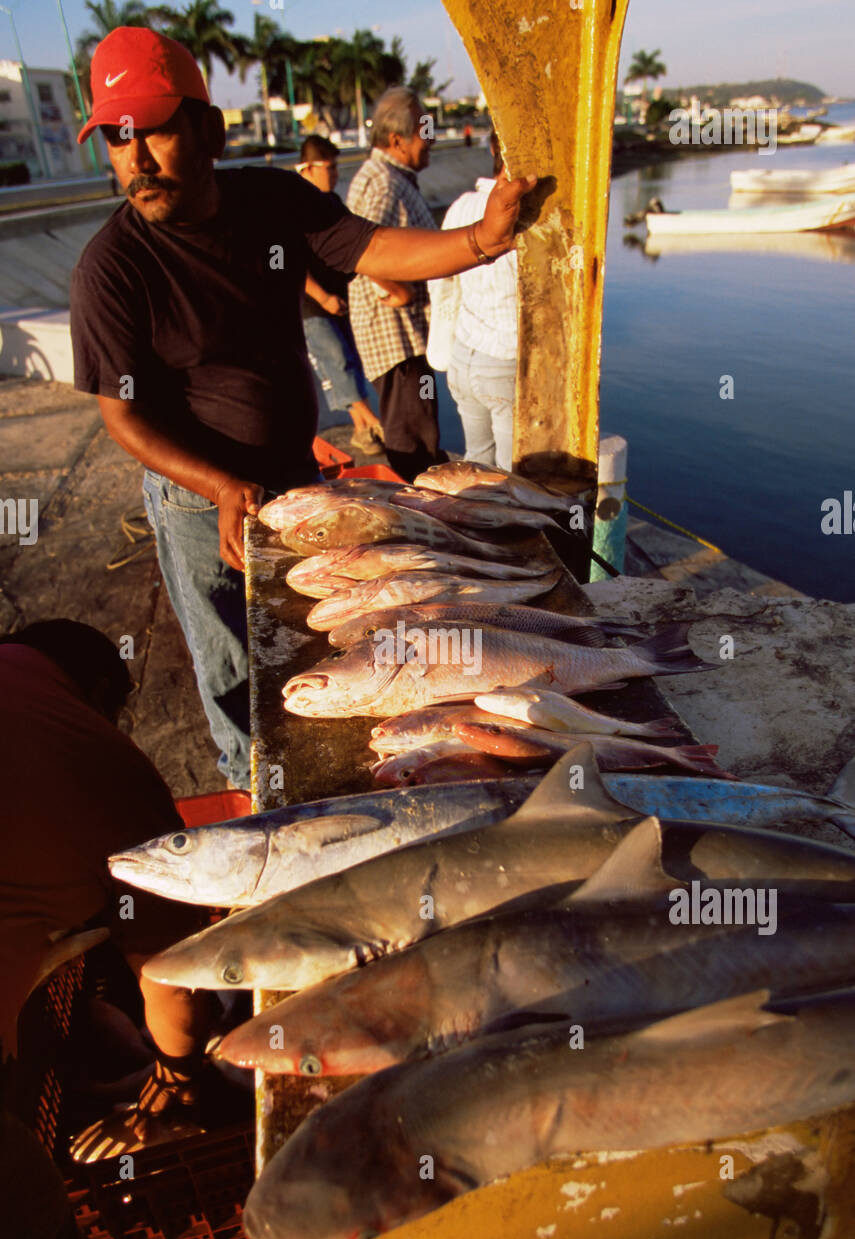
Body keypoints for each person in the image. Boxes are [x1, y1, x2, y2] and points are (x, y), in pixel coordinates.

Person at [70, 29, 533, 788]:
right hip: (199, 505)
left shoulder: (270, 199)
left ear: (208, 132)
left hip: (295, 480)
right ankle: (253, 789)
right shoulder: (110, 269)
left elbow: (374, 249)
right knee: (230, 667)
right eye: (116, 140)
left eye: (152, 131)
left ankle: (339, 778)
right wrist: (219, 486)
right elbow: (123, 417)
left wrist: (482, 240)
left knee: (321, 644)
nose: (136, 159)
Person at [0, 621, 219, 1162]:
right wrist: (174, 1081)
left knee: (93, 1017)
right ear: (101, 696)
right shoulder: (105, 767)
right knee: (38, 1224)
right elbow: (175, 975)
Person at [346, 87, 447, 482]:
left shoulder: (391, 177)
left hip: (407, 340)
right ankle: (416, 513)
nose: (432, 140)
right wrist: (398, 290)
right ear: (396, 140)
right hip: (397, 340)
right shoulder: (385, 184)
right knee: (414, 438)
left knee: (421, 431)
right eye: (425, 131)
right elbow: (359, 247)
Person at [429, 131, 519, 471]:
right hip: (503, 360)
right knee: (512, 476)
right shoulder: (521, 217)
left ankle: (470, 523)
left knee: (477, 464)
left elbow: (440, 279)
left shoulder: (461, 206)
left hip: (463, 356)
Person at [297, 134, 388, 456]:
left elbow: (357, 249)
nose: (333, 174)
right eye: (327, 167)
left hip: (339, 298)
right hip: (311, 304)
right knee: (334, 358)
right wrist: (322, 297)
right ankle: (373, 422)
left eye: (336, 167)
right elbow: (289, 263)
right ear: (305, 169)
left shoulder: (332, 204)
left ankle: (363, 430)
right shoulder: (294, 204)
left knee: (348, 360)